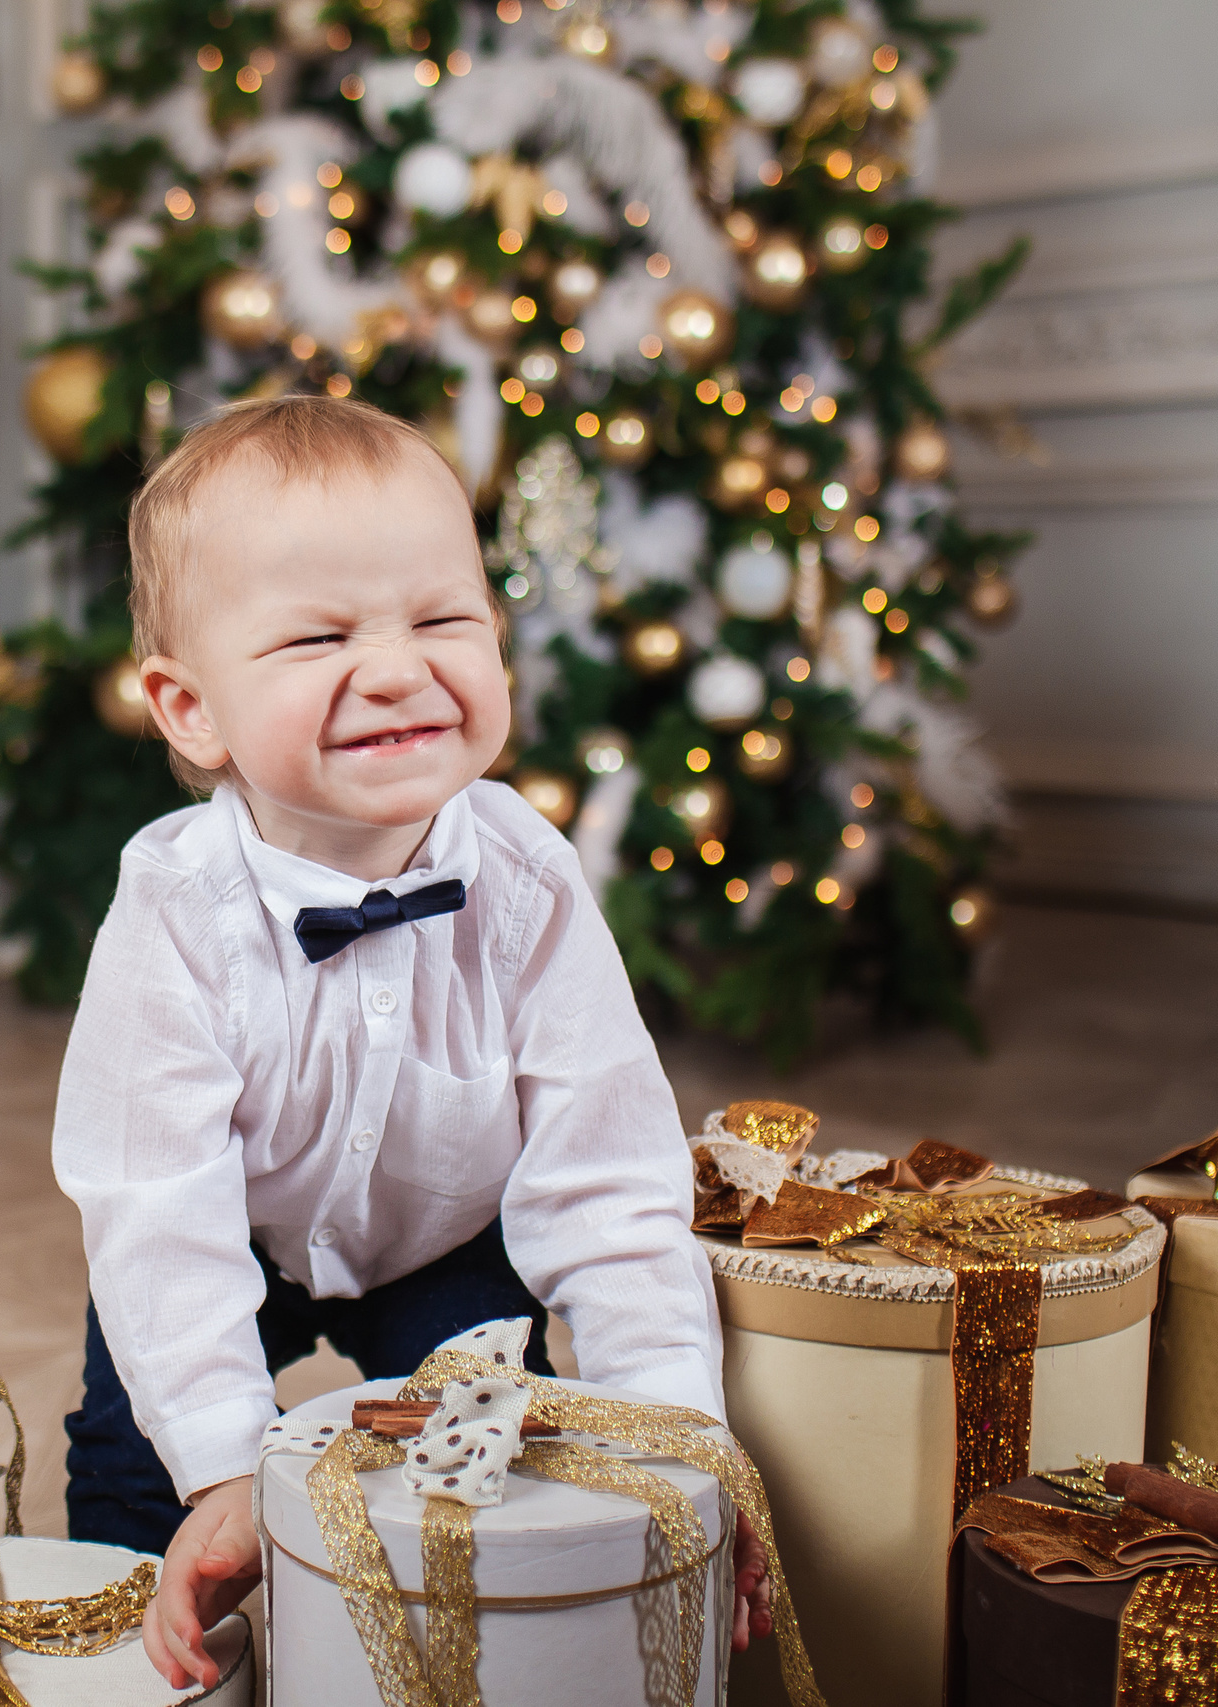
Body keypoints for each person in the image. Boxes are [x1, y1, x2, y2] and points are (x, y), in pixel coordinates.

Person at [50, 394, 771, 1689]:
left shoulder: (528, 877)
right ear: (190, 709)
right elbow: (154, 1201)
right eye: (320, 635)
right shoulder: (174, 909)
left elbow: (609, 1177)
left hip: (450, 1236)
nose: (396, 668)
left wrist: (679, 1454)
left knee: (508, 1483)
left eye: (445, 620)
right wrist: (224, 1465)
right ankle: (143, 1665)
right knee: (136, 1456)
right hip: (233, 1240)